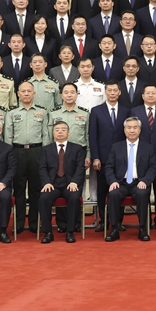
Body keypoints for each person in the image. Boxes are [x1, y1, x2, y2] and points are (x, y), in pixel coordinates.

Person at [3, 81, 51, 234]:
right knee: (18, 189)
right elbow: (8, 136)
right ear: (18, 94)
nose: (26, 94)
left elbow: (46, 135)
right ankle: (18, 223)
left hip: (37, 151)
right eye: (23, 91)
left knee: (36, 189)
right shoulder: (11, 113)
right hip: (17, 152)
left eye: (29, 91)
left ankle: (34, 222)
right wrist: (8, 156)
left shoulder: (42, 112)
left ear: (34, 94)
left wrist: (46, 155)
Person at [104, 117, 156, 242]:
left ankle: (143, 229)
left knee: (142, 194)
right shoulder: (116, 147)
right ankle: (114, 229)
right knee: (113, 194)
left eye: (135, 127)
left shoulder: (148, 147)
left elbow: (153, 167)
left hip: (139, 182)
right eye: (129, 128)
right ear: (124, 130)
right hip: (120, 183)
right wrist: (113, 181)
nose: (132, 130)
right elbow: (109, 167)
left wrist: (145, 181)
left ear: (140, 130)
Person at [49, 83, 90, 233]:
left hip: (78, 154)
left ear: (77, 95)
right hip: (59, 152)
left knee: (75, 188)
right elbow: (49, 137)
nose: (69, 95)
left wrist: (88, 155)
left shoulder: (85, 114)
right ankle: (62, 223)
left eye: (72, 92)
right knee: (59, 183)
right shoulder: (53, 113)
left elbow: (87, 136)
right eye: (66, 92)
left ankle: (76, 222)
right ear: (61, 95)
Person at [89, 81, 130, 231]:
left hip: (122, 158)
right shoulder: (96, 111)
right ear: (105, 92)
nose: (112, 93)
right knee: (103, 190)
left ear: (119, 93)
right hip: (103, 158)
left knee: (119, 189)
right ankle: (103, 221)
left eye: (115, 90)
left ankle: (118, 221)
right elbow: (93, 136)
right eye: (109, 90)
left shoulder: (126, 111)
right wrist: (95, 157)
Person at [37, 121, 86, 244]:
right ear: (53, 133)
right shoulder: (46, 149)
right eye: (57, 130)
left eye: (63, 130)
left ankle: (70, 232)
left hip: (70, 184)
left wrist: (75, 182)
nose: (60, 132)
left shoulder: (77, 149)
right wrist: (46, 183)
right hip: (52, 184)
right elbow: (42, 168)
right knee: (43, 198)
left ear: (68, 133)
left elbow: (80, 168)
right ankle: (48, 232)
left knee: (74, 198)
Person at [131, 84, 156, 230]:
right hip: (141, 157)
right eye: (148, 93)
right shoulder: (134, 111)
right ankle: (145, 220)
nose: (150, 95)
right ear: (142, 96)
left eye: (153, 93)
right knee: (144, 189)